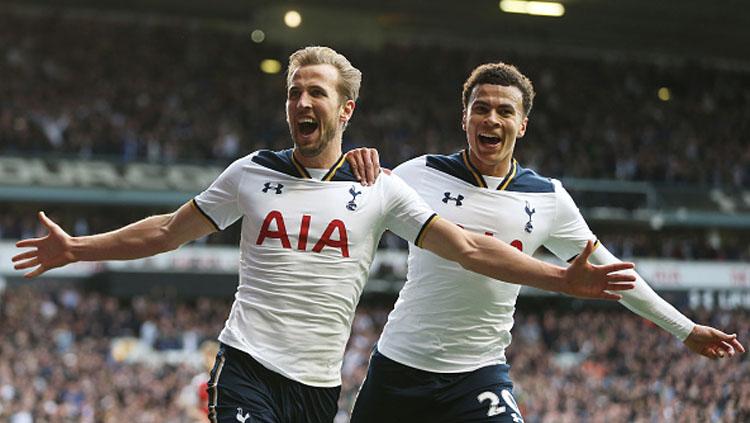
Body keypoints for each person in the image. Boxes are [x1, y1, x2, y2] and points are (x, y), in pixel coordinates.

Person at [11, 47, 636, 423]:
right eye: (293, 92)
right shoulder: (250, 174)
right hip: (245, 365)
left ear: (346, 110)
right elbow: (167, 232)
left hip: (318, 390)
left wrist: (561, 278)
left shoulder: (382, 189)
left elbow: (471, 247)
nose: (301, 101)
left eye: (316, 92)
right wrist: (76, 248)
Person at [346, 62, 745, 422]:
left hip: (477, 373)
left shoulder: (548, 198)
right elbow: (344, 207)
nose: (492, 118)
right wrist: (347, 163)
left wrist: (686, 329)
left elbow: (615, 275)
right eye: (481, 108)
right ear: (464, 118)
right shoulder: (419, 174)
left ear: (522, 125)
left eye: (505, 111)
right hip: (400, 365)